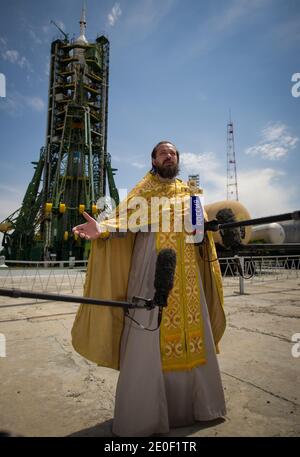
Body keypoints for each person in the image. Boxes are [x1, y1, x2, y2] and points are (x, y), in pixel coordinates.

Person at [71, 141, 226, 437]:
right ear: (153, 160)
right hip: (150, 274)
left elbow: (198, 234)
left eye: (174, 153)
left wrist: (206, 228)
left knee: (192, 339)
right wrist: (101, 228)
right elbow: (122, 221)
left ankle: (199, 407)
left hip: (188, 279)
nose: (169, 156)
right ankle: (145, 417)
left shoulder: (191, 193)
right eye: (163, 153)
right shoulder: (143, 190)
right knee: (147, 336)